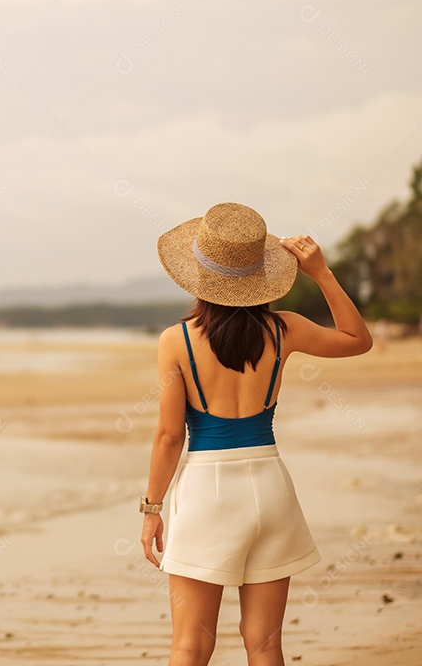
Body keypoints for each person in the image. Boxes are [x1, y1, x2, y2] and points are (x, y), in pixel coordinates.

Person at [139, 202, 372, 666]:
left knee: (190, 644)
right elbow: (357, 339)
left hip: (208, 491)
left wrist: (152, 509)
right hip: (271, 488)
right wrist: (321, 273)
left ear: (201, 277)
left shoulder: (176, 340)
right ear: (259, 276)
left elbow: (169, 436)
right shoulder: (284, 329)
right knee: (265, 644)